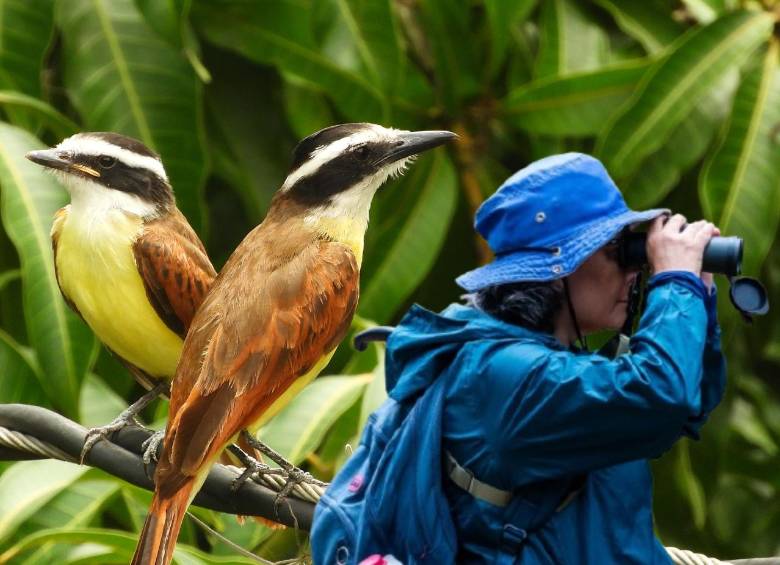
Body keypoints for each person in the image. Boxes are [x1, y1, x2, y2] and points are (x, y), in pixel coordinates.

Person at [311, 153, 726, 564]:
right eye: (617, 251)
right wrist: (676, 280)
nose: (635, 271)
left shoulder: (545, 361)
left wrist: (698, 295)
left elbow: (687, 404)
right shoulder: (502, 375)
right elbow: (661, 398)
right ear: (561, 265)